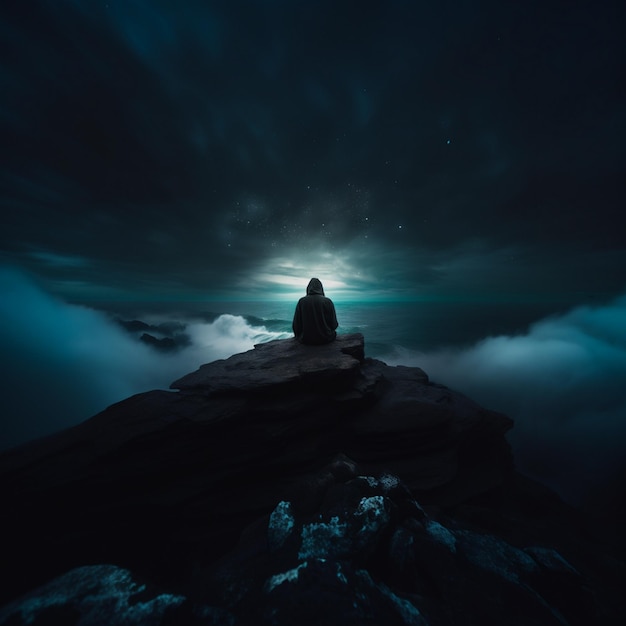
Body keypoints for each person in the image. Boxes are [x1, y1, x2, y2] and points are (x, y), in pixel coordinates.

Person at [292, 277, 338, 344]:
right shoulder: (328, 301)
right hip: (326, 339)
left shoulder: (301, 301)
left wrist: (299, 336)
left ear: (308, 288)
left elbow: (296, 325)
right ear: (321, 288)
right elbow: (334, 325)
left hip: (306, 340)